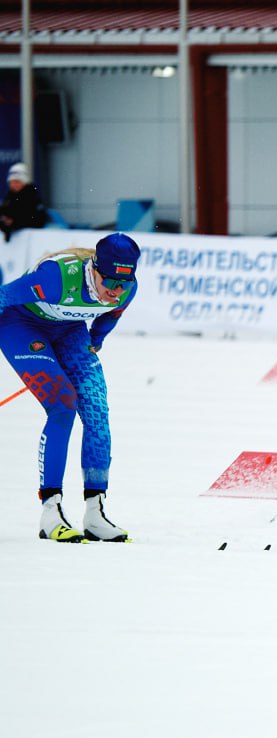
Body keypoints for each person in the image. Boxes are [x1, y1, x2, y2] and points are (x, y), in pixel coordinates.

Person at [0, 233, 141, 542]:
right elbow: (3, 296)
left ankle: (95, 513)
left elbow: (108, 319)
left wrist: (96, 341)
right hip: (21, 326)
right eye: (111, 284)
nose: (117, 292)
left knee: (96, 409)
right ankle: (50, 512)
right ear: (94, 270)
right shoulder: (56, 279)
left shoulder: (126, 289)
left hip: (70, 331)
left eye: (125, 284)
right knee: (63, 405)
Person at [1, 162, 49, 242]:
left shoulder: (31, 196)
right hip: (15, 241)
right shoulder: (9, 197)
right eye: (11, 182)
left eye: (17, 182)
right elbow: (4, 213)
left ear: (24, 182)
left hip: (32, 239)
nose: (13, 185)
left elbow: (38, 219)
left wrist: (14, 222)